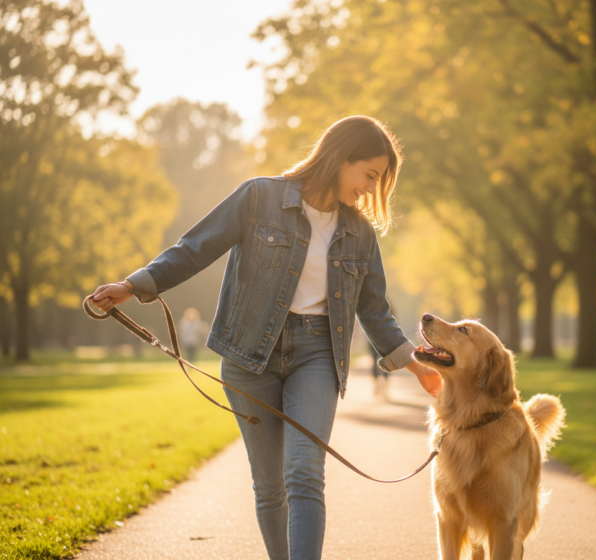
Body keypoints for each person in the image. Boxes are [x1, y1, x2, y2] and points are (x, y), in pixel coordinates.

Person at [91, 116, 441, 560]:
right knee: (270, 485)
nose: (371, 190)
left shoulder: (360, 234)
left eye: (378, 181)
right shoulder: (259, 197)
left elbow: (374, 310)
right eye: (369, 176)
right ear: (339, 157)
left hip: (317, 354)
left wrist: (416, 366)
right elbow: (196, 247)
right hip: (247, 354)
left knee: (305, 473)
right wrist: (135, 284)